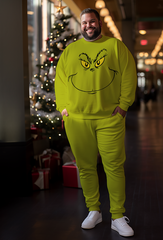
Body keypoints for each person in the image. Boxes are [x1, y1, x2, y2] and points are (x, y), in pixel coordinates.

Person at [55, 8, 137, 237]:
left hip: (109, 118)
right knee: (86, 167)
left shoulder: (115, 47)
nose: (88, 25)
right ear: (80, 25)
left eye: (92, 21)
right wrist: (63, 109)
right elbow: (60, 82)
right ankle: (94, 211)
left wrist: (123, 106)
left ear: (99, 23)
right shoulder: (70, 51)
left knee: (114, 167)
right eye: (84, 22)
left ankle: (117, 216)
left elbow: (129, 75)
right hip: (77, 120)